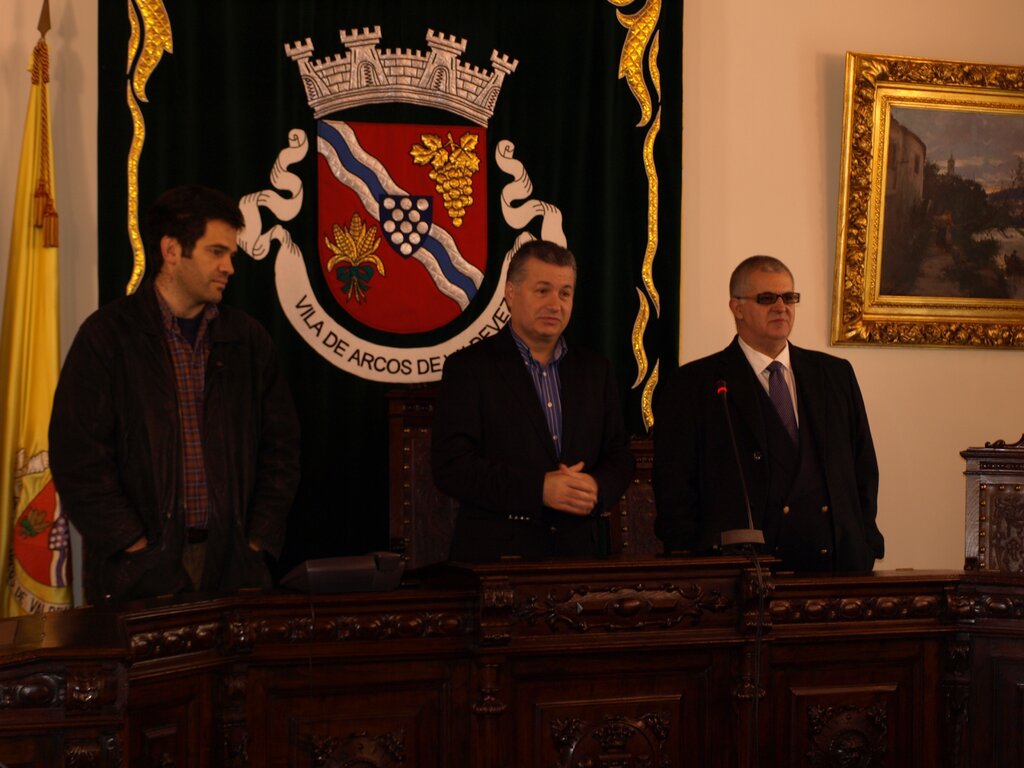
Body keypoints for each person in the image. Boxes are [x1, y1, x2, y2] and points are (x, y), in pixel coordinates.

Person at [49, 185, 300, 603]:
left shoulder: (248, 340)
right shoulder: (107, 337)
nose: (229, 267)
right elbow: (78, 460)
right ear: (171, 250)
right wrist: (136, 549)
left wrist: (255, 542)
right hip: (136, 578)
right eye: (216, 252)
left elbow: (282, 452)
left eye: (231, 255)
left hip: (233, 570)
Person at [652, 255, 883, 572]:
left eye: (789, 297)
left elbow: (863, 467)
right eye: (766, 298)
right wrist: (695, 563)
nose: (781, 307)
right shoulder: (694, 384)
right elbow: (675, 488)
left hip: (835, 567)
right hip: (745, 574)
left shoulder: (834, 375)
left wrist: (865, 540)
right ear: (737, 308)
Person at [432, 239, 634, 561]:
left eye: (565, 293)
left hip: (581, 558)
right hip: (498, 560)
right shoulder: (469, 368)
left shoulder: (596, 370)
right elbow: (452, 466)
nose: (555, 304)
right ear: (511, 293)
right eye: (542, 291)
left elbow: (620, 456)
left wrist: (597, 488)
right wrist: (538, 489)